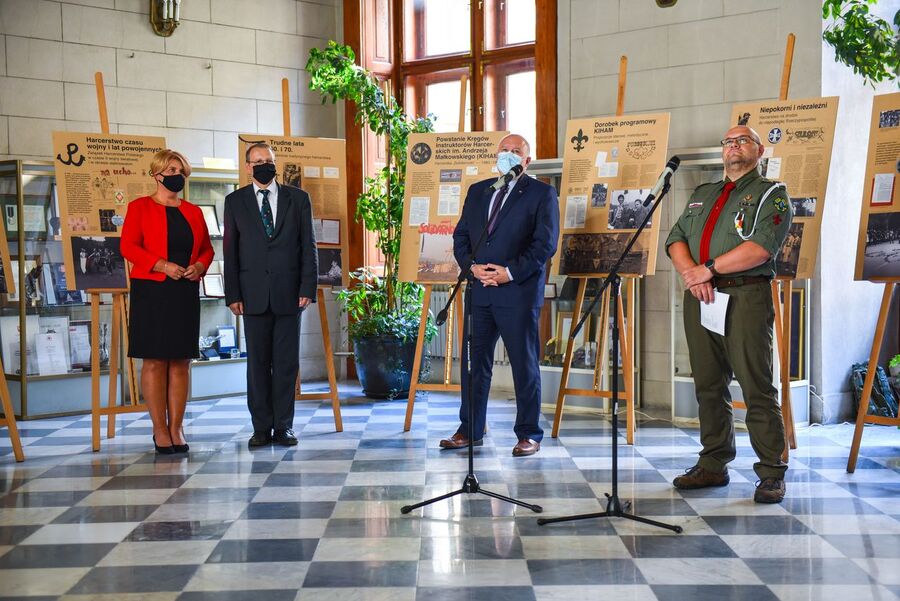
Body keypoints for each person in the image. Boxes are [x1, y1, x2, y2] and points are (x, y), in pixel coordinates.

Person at [665, 125, 792, 503]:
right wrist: (694, 275)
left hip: (745, 297)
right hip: (701, 296)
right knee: (707, 383)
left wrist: (709, 269)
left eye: (743, 141)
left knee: (756, 385)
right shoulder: (703, 194)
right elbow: (675, 239)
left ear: (759, 150)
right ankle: (713, 462)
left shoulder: (772, 194)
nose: (734, 146)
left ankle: (771, 471)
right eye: (729, 141)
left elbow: (761, 248)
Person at [441, 134, 559, 457]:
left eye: (515, 152)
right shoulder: (480, 192)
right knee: (474, 364)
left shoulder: (542, 194)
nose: (508, 155)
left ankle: (529, 433)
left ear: (527, 161)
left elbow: (544, 246)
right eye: (504, 150)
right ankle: (470, 429)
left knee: (524, 365)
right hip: (479, 292)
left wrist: (508, 272)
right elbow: (462, 237)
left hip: (517, 293)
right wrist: (473, 268)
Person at [223, 142, 317, 448]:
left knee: (287, 363)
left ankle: (284, 426)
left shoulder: (298, 199)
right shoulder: (235, 202)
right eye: (257, 161)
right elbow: (230, 252)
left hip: (291, 294)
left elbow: (308, 246)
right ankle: (261, 427)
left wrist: (307, 287)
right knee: (258, 363)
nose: (264, 165)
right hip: (251, 296)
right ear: (248, 166)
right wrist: (232, 294)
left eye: (269, 161)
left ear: (275, 164)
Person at [121, 149, 213, 454]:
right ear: (157, 174)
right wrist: (162, 265)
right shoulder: (139, 208)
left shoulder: (194, 212)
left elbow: (206, 250)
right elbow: (128, 246)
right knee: (155, 359)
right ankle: (159, 429)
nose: (177, 175)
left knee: (181, 361)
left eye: (182, 171)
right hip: (152, 290)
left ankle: (177, 427)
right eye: (172, 169)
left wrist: (199, 267)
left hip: (184, 290)